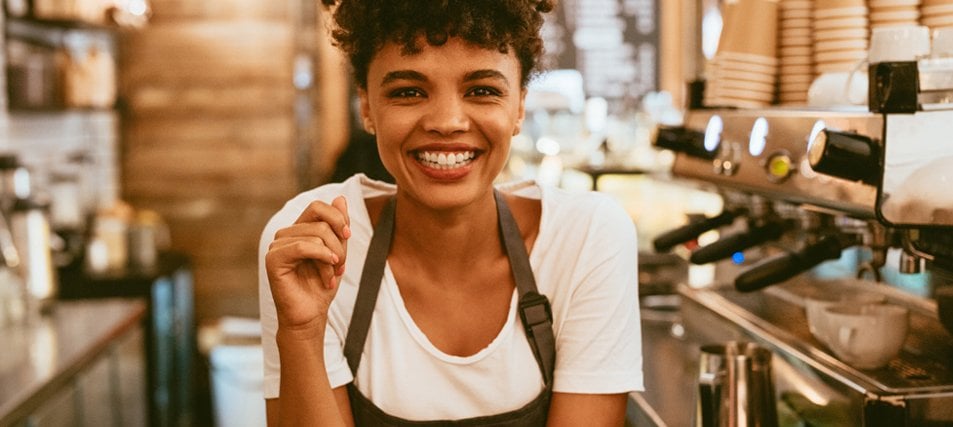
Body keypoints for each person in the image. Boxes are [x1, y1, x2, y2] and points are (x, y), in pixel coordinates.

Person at [258, 1, 643, 425]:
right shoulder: (313, 241)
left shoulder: (585, 238)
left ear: (518, 107)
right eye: (408, 91)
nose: (447, 121)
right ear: (367, 107)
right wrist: (300, 333)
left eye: (482, 90)